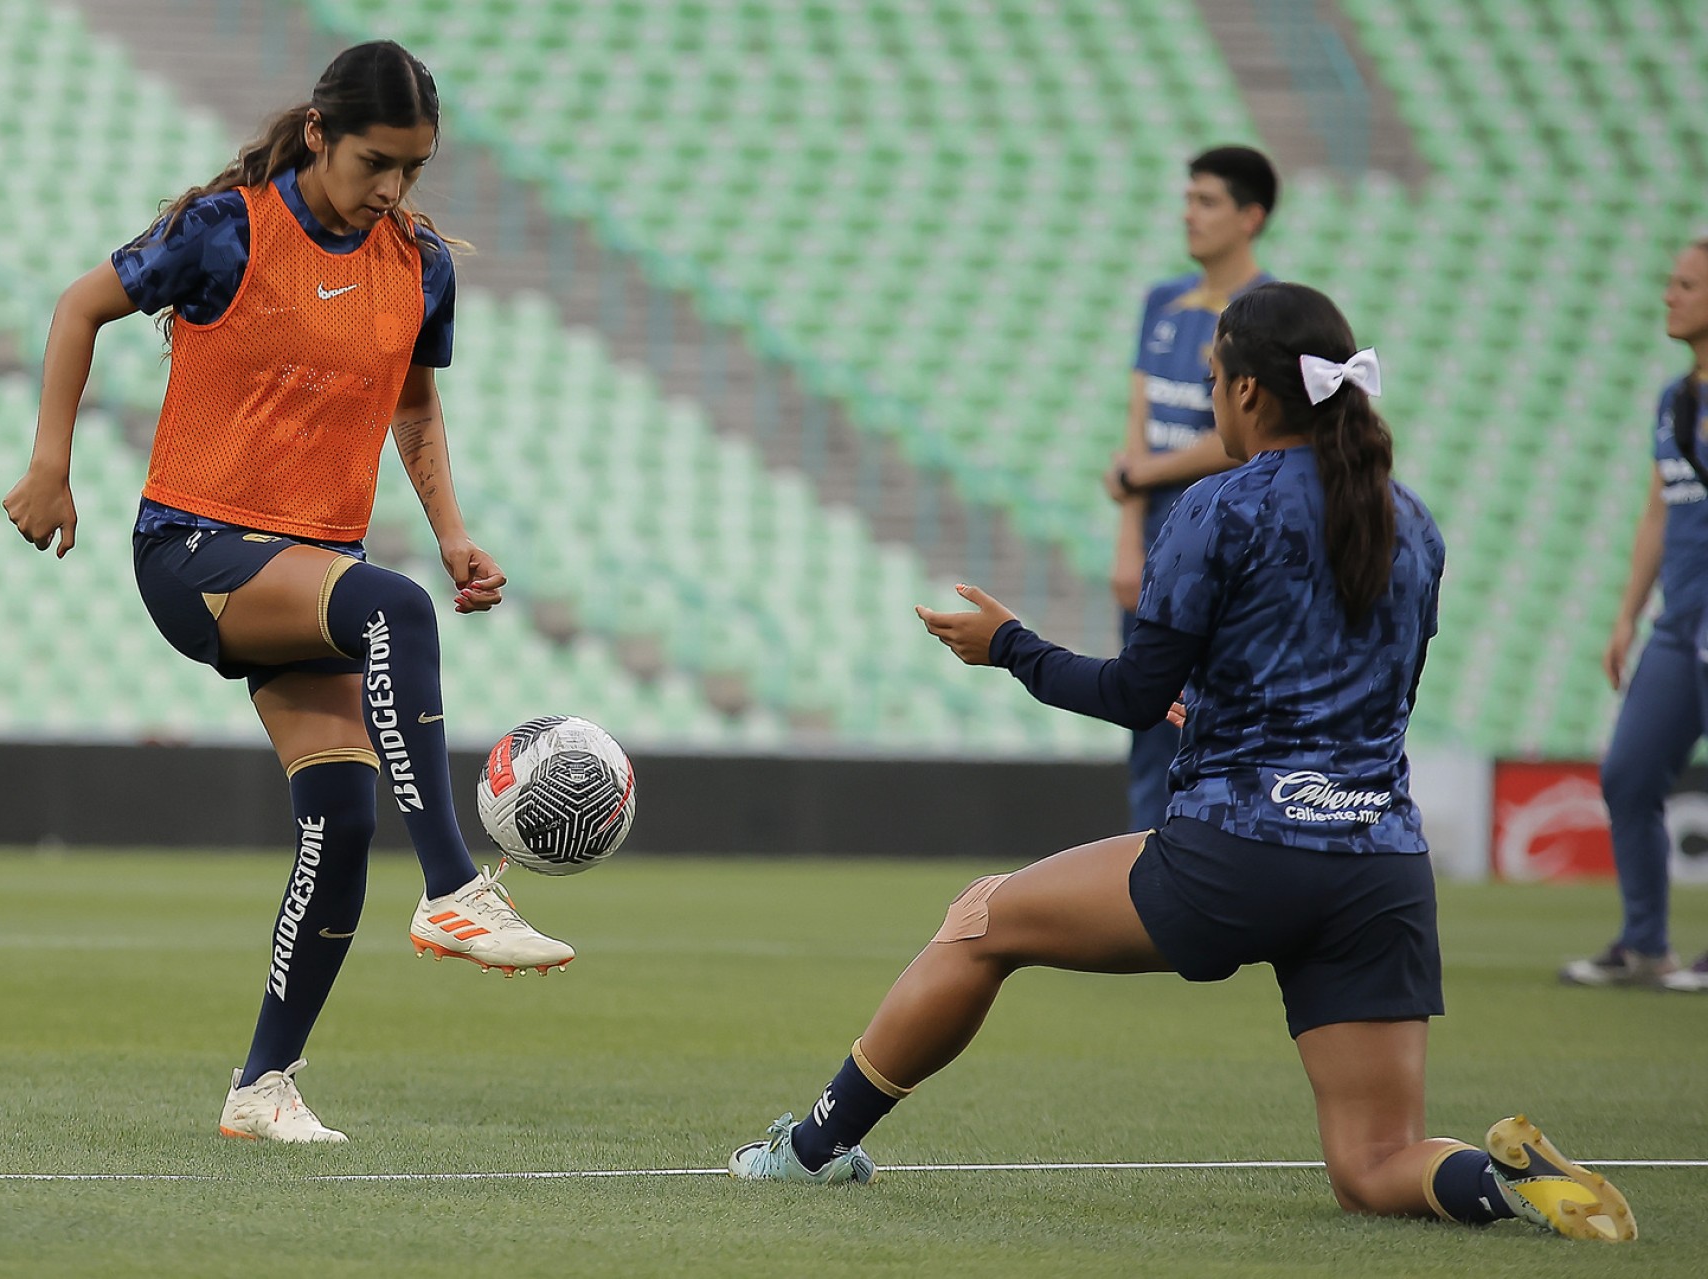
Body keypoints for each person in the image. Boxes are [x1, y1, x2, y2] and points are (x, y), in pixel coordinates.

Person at [728, 283, 1636, 1244]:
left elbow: (1131, 694)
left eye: (1212, 382)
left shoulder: (1218, 507)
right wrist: (1219, 700)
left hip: (1238, 854)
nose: (1210, 402)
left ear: (1246, 392)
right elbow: (1362, 688)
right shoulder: (1411, 520)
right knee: (1376, 1164)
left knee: (980, 920)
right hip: (1378, 870)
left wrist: (1010, 646)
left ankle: (813, 1148)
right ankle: (1505, 1181)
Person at [2, 41, 574, 1144]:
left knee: (343, 817)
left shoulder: (419, 265)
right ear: (319, 134)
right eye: (375, 163)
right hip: (195, 550)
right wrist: (49, 465)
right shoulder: (227, 230)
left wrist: (453, 534)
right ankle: (455, 889)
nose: (393, 189)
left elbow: (413, 404)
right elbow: (79, 307)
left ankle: (263, 1086)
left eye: (413, 168)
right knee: (393, 608)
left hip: (305, 570)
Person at [1104, 146, 1278, 834]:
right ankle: (1148, 865)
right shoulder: (1162, 301)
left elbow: (1245, 434)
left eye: (1207, 201)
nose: (1190, 214)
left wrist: (1138, 474)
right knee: (1148, 721)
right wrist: (1127, 540)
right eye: (1187, 199)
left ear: (1250, 217)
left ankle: (1219, 857)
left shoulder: (1268, 311)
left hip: (1231, 547)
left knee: (1221, 718)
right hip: (1156, 544)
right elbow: (1138, 422)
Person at [1561, 237, 1708, 993]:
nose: (1668, 296)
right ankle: (1646, 946)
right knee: (1629, 773)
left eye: (1685, 284)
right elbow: (1659, 511)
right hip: (1679, 624)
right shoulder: (1675, 397)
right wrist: (1627, 615)